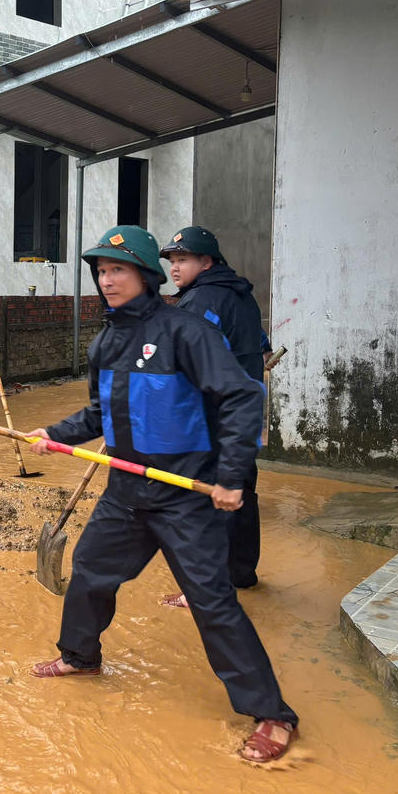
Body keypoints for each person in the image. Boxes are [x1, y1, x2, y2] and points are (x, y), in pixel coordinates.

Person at [25, 225, 298, 764]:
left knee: (211, 600)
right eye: (101, 271)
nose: (107, 280)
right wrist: (55, 434)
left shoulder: (186, 332)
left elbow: (243, 396)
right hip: (125, 493)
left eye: (118, 270)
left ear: (146, 276)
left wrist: (232, 475)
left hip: (183, 495)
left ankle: (272, 712)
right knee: (90, 570)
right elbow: (101, 413)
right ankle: (81, 657)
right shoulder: (105, 342)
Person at [159, 225, 266, 604]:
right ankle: (241, 574)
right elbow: (261, 346)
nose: (174, 267)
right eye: (172, 260)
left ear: (207, 262)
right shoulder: (242, 296)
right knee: (240, 495)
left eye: (182, 259)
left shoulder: (199, 302)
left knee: (204, 502)